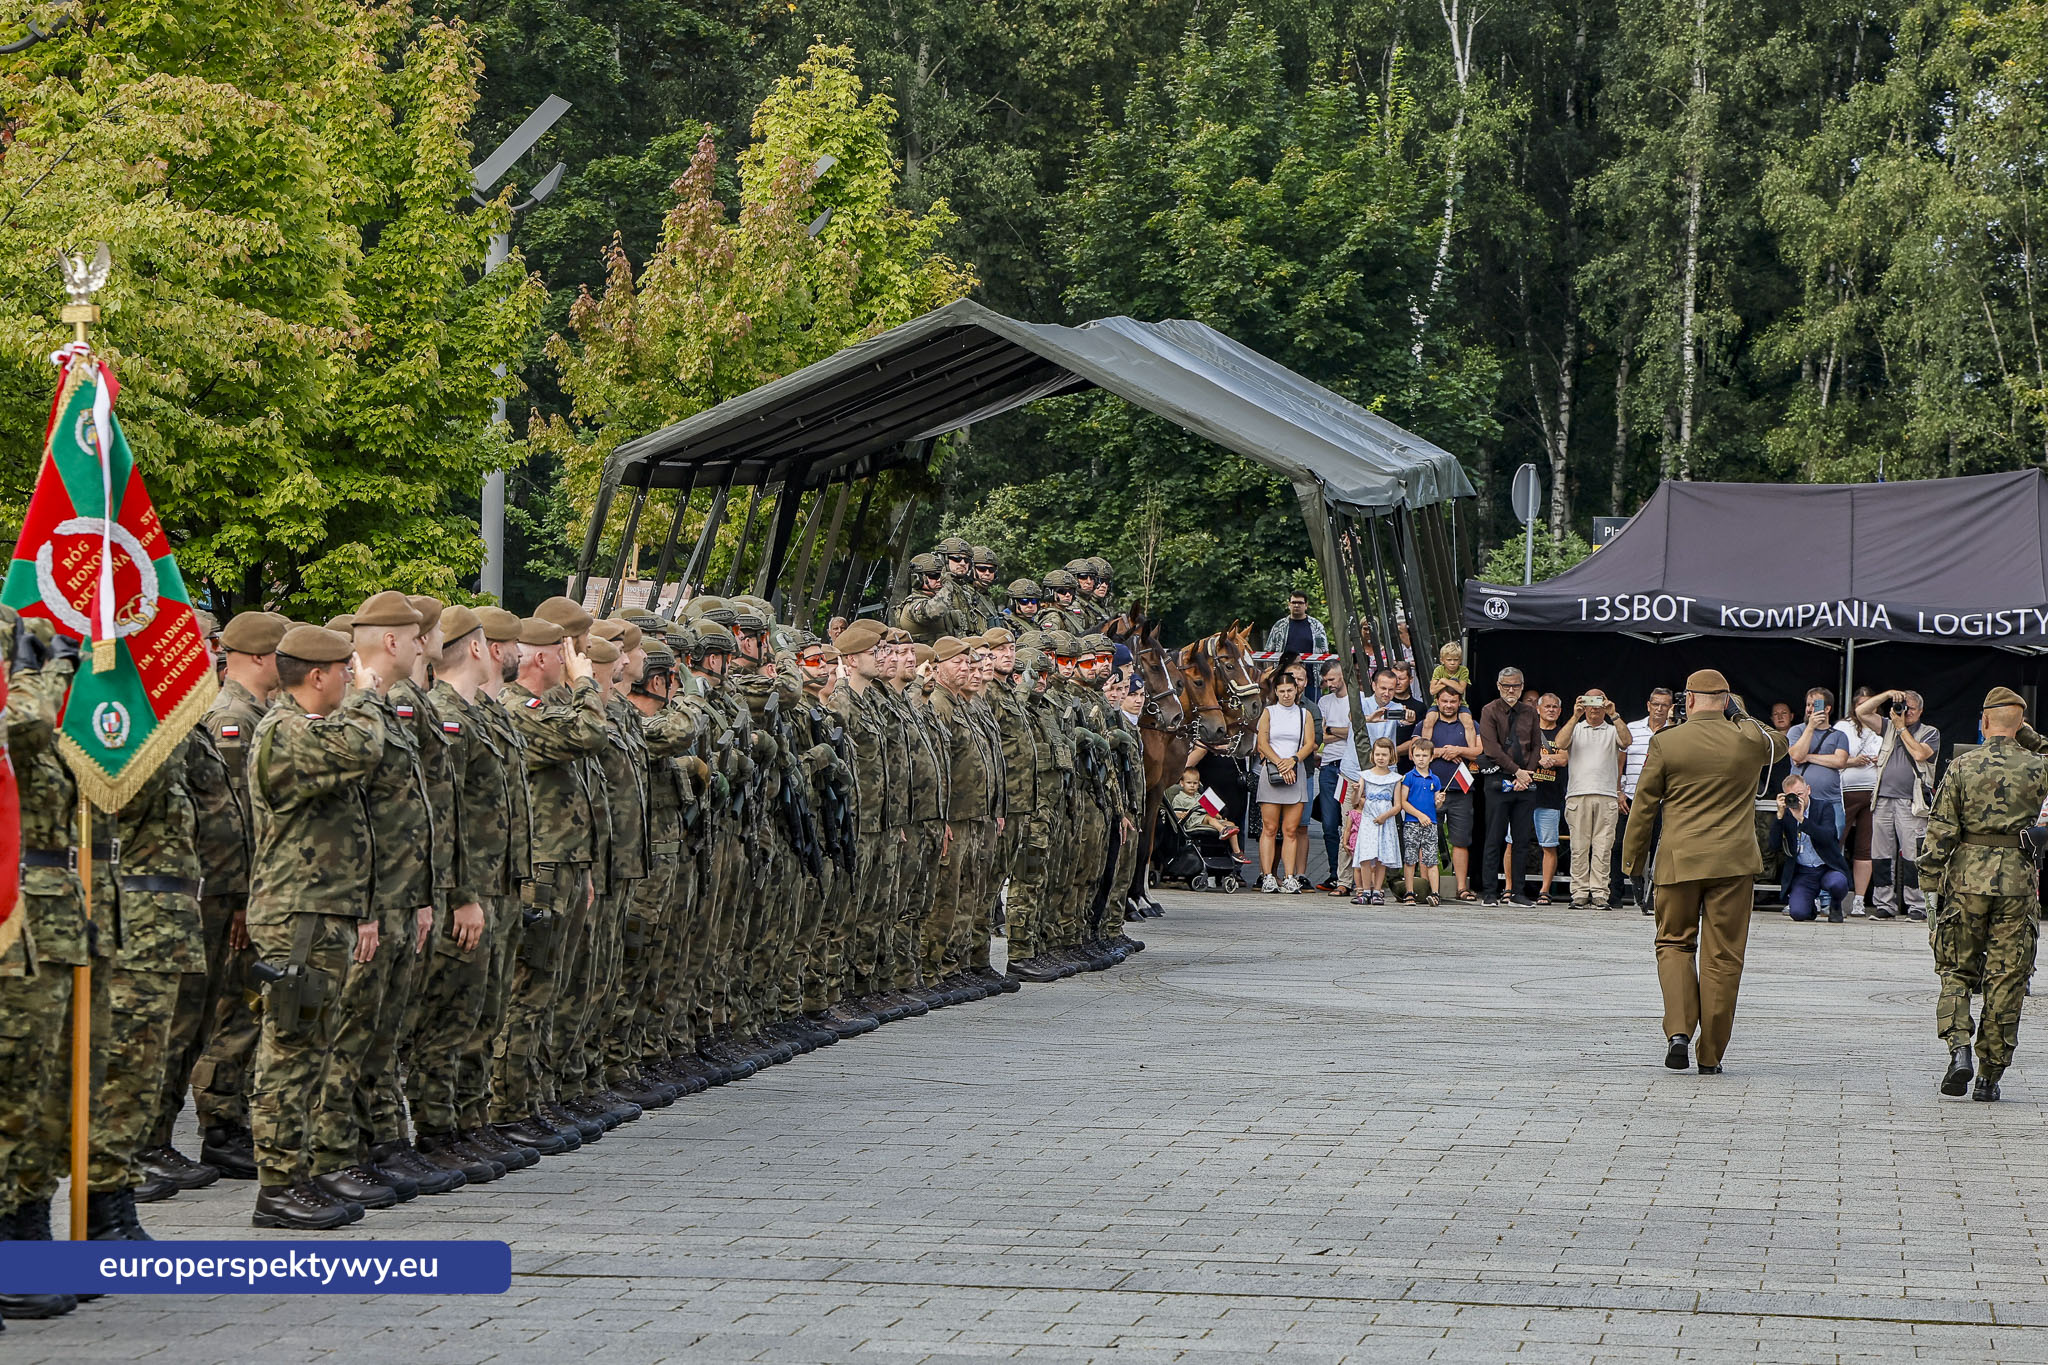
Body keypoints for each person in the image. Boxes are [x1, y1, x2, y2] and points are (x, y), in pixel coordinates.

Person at [1621, 669, 1786, 1075]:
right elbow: (1779, 743)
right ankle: (1710, 1055)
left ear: (1688, 700)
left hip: (1680, 861)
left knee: (1674, 943)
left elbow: (1644, 806)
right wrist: (1741, 713)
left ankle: (1678, 1031)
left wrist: (1633, 864)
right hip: (1733, 864)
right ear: (1727, 700)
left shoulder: (1666, 742)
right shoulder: (1748, 741)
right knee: (1724, 957)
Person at [1919, 686, 2048, 1102]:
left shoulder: (1961, 765)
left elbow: (1940, 832)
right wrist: (2026, 736)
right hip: (2016, 883)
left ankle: (1959, 1050)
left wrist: (1929, 886)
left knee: (1955, 969)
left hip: (1966, 879)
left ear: (1985, 721)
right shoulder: (2037, 766)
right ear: (2019, 723)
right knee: (2007, 978)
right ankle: (1990, 1076)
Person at [1856, 688, 1938, 922]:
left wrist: (1902, 728)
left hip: (1912, 803)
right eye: (1902, 706)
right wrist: (1886, 695)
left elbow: (1921, 754)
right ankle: (1884, 904)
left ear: (1921, 711)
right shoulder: (1888, 726)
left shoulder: (1929, 732)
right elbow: (1861, 712)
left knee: (1913, 856)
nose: (1905, 712)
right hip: (1882, 799)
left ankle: (1917, 905)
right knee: (1881, 855)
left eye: (1910, 708)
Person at [1555, 691, 1630, 909]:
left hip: (1606, 795)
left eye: (1599, 701)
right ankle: (1579, 892)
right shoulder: (1576, 728)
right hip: (1578, 794)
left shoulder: (1612, 729)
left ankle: (1599, 893)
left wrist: (1613, 714)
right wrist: (1575, 715)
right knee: (1578, 847)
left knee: (1603, 847)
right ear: (1583, 704)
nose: (1594, 707)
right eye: (1590, 702)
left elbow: (1627, 741)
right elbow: (1559, 743)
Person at [1478, 667, 1541, 906]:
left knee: (1522, 840)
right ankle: (1490, 892)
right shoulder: (1489, 710)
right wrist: (1516, 771)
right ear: (1498, 686)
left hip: (1525, 781)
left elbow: (1536, 746)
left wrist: (1527, 775)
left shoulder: (1530, 712)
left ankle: (1518, 892)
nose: (1511, 690)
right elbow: (1491, 748)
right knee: (1494, 838)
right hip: (1498, 779)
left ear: (1522, 686)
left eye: (1515, 686)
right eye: (1506, 686)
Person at [1255, 670, 1316, 893]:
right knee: (1269, 827)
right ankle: (1268, 875)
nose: (1286, 695)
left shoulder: (1304, 714)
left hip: (1295, 769)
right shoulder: (1268, 712)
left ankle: (1290, 876)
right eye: (1282, 691)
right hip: (1273, 770)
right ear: (1276, 692)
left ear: (1297, 690)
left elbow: (1310, 743)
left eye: (1290, 690)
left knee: (1291, 829)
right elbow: (1262, 742)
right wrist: (1281, 763)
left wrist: (1293, 760)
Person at [1615, 688, 1676, 911]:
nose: (1660, 709)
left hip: (1663, 800)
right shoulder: (1632, 728)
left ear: (1671, 707)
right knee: (1625, 845)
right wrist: (1619, 791)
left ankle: (1652, 896)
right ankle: (1624, 893)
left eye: (1665, 705)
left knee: (1658, 849)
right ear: (1648, 705)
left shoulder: (1676, 731)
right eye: (1656, 704)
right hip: (1632, 796)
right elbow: (1620, 764)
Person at [1422, 683, 1482, 901]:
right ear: (1437, 702)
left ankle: (1461, 887)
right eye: (1444, 701)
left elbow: (1480, 752)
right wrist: (1440, 752)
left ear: (1460, 703)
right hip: (1429, 789)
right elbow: (1414, 751)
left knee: (1461, 840)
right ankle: (1424, 886)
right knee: (1425, 838)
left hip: (1461, 790)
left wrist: (1459, 750)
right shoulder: (1426, 723)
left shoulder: (1470, 723)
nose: (1448, 705)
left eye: (1453, 701)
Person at [1769, 773, 1852, 923]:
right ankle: (1809, 907)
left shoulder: (1823, 807)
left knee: (1838, 883)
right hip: (1803, 872)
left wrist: (1802, 819)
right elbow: (1773, 846)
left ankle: (1835, 905)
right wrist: (1779, 816)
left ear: (1808, 790)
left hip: (1826, 867)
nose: (1797, 799)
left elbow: (1828, 837)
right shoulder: (1786, 813)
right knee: (1799, 914)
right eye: (1792, 795)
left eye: (1800, 794)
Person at [1835, 690, 1884, 917]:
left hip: (1874, 793)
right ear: (1854, 707)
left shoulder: (1883, 727)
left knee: (1865, 848)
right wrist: (1854, 761)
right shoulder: (1843, 727)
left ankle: (1859, 900)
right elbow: (1836, 757)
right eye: (1862, 705)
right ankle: (1828, 895)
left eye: (1871, 704)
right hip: (1846, 791)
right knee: (1836, 841)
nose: (1867, 708)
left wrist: (1879, 760)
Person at [1787, 687, 1850, 841]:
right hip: (1801, 801)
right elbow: (1796, 755)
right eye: (1808, 705)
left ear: (1827, 708)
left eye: (1815, 705)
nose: (1810, 709)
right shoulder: (1796, 731)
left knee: (1832, 841)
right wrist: (1810, 727)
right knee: (1801, 844)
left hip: (1831, 800)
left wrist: (1808, 757)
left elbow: (1840, 761)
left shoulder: (1839, 735)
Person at [1314, 664, 1357, 889]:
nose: (1329, 684)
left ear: (1343, 675)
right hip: (1329, 766)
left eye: (1332, 679)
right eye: (1326, 681)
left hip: (1350, 767)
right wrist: (1341, 731)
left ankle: (1354, 875)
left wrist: (1333, 730)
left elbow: (1357, 731)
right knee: (1329, 824)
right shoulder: (1324, 702)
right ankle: (1335, 873)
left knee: (1353, 822)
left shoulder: (1357, 699)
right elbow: (1322, 735)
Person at [1349, 737, 1402, 905]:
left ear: (1390, 756)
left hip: (1385, 821)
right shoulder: (1365, 776)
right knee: (1366, 855)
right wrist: (1356, 791)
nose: (1381, 758)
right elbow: (1355, 801)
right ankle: (1365, 890)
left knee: (1381, 856)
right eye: (1378, 754)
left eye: (1384, 755)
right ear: (1373, 755)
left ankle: (1378, 890)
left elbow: (1398, 805)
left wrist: (1384, 817)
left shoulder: (1395, 778)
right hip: (1368, 820)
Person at [1528, 692, 1568, 904]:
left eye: (1555, 707)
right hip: (1525, 795)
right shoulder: (1528, 731)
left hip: (1551, 796)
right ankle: (1509, 887)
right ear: (1538, 709)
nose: (1551, 710)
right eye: (1547, 706)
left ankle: (1545, 891)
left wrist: (1547, 758)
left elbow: (1564, 758)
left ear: (1560, 711)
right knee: (1512, 843)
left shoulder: (1563, 734)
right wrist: (1539, 759)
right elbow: (1521, 755)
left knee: (1549, 845)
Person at [1397, 735, 1443, 906]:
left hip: (1430, 824)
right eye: (1417, 755)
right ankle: (1409, 892)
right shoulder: (1409, 777)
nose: (1421, 759)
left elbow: (1436, 803)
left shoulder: (1435, 779)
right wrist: (1419, 815)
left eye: (1424, 756)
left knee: (1431, 859)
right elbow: (1403, 802)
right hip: (1412, 823)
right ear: (1412, 756)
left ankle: (1435, 893)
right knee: (1410, 859)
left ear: (1431, 757)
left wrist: (1439, 801)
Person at [1168, 768, 1245, 859]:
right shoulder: (1179, 797)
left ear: (1198, 784)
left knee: (1231, 824)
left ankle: (1236, 852)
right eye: (1189, 783)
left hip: (1204, 818)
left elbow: (1210, 810)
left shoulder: (1200, 796)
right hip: (1191, 820)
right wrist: (1181, 815)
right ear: (1182, 783)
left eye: (1195, 783)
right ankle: (1222, 830)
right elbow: (1174, 812)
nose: (1192, 786)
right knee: (1209, 818)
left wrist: (1216, 814)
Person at [1263, 591, 1329, 659]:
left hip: (1311, 669)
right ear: (1289, 605)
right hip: (1284, 669)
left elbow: (1325, 652)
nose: (1296, 605)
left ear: (1306, 605)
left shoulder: (1317, 626)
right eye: (1294, 602)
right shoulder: (1279, 626)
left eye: (1300, 603)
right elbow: (1269, 651)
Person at [1429, 641, 1470, 712]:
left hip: (1460, 704)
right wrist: (1454, 683)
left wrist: (1443, 681)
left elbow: (1461, 689)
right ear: (1442, 660)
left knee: (1467, 718)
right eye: (1449, 660)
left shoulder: (1463, 670)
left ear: (1460, 660)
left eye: (1456, 660)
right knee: (1430, 717)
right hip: (1437, 704)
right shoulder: (1439, 670)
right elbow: (1432, 691)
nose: (1452, 663)